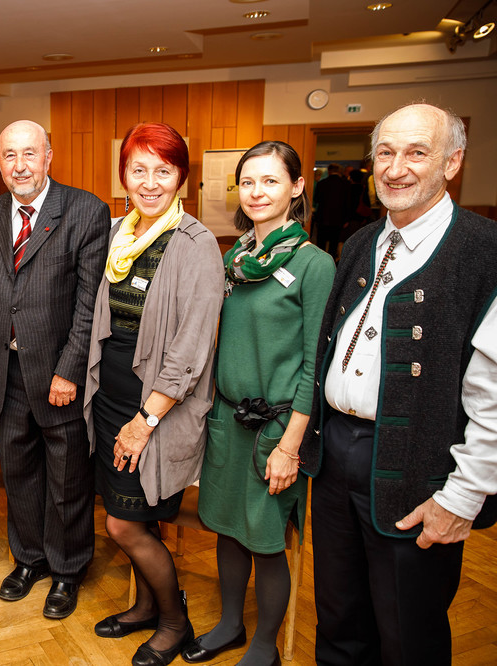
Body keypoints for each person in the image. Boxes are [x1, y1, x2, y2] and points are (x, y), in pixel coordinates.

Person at [300, 102, 497, 665]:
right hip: (336, 458)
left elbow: (493, 397)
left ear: (452, 162)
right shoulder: (364, 241)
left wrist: (462, 497)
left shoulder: (484, 251)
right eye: (385, 153)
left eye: (417, 153)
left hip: (418, 472)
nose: (395, 168)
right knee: (338, 617)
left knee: (408, 632)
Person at [187, 141, 335, 666]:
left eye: (271, 181)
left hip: (277, 429)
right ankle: (230, 625)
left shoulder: (315, 265)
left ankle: (265, 646)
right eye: (248, 182)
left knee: (267, 540)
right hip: (228, 419)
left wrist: (290, 446)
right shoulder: (235, 258)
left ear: (297, 187)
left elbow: (315, 366)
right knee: (227, 530)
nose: (256, 192)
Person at [84, 123, 224, 666]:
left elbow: (192, 346)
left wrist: (145, 421)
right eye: (138, 169)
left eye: (162, 171)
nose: (149, 182)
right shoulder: (116, 233)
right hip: (110, 397)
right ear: (123, 175)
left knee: (123, 523)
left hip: (157, 406)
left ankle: (174, 621)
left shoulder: (196, 244)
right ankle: (145, 608)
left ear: (181, 178)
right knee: (132, 519)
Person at [0, 120, 109, 620]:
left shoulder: (85, 210)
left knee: (68, 478)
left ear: (49, 156)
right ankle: (29, 559)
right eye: (9, 155)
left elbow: (90, 302)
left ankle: (68, 569)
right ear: (0, 163)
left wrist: (69, 369)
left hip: (58, 374)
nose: (20, 165)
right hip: (5, 374)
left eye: (29, 153)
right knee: (19, 476)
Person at [312, 163, 349, 259]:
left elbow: (316, 199)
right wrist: (346, 219)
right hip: (338, 218)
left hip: (323, 217)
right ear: (339, 171)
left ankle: (319, 261)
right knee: (334, 244)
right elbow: (347, 203)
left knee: (321, 243)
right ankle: (331, 263)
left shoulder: (322, 183)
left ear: (329, 171)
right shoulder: (345, 184)